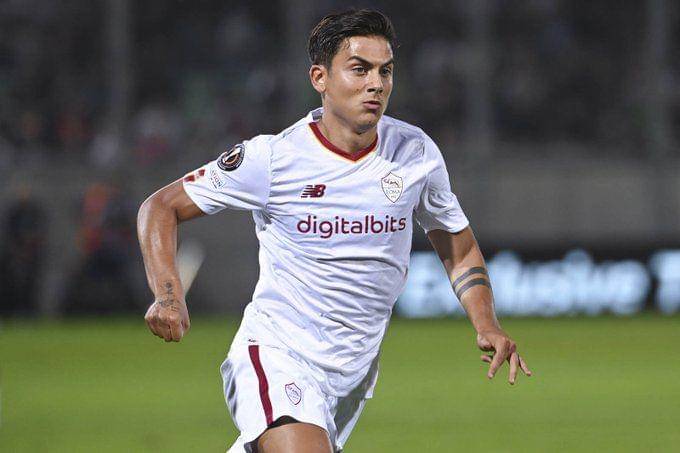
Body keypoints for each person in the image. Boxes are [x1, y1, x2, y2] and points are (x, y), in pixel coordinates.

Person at [137, 9, 531, 453]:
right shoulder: (274, 158)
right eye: (359, 69)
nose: (376, 84)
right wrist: (169, 294)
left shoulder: (415, 153)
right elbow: (160, 207)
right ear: (320, 78)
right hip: (277, 353)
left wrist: (487, 323)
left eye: (385, 71)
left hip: (351, 376)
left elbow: (458, 247)